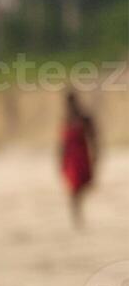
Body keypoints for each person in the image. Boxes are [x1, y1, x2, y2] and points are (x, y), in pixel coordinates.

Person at [59, 91, 98, 230]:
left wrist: (95, 157)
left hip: (81, 157)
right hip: (72, 159)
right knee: (74, 189)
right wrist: (61, 162)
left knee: (81, 187)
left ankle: (78, 214)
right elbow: (62, 144)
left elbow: (94, 138)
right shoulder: (66, 119)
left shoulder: (83, 118)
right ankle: (77, 216)